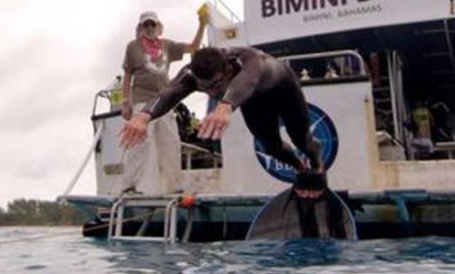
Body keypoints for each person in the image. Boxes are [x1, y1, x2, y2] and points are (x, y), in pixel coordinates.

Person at [119, 46, 324, 192]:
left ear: (227, 71)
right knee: (271, 147)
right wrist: (144, 115)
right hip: (253, 101)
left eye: (215, 85)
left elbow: (250, 79)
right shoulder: (191, 74)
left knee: (300, 139)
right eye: (204, 87)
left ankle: (316, 162)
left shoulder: (249, 60)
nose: (210, 91)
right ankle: (300, 167)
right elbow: (169, 93)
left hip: (283, 89)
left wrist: (226, 105)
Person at [120, 9, 208, 194]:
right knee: (139, 142)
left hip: (164, 102)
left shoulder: (167, 45)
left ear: (158, 27)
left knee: (171, 142)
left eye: (153, 24)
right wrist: (125, 102)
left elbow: (193, 46)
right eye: (146, 24)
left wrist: (202, 24)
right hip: (142, 102)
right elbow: (127, 75)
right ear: (141, 27)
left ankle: (175, 187)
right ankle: (129, 186)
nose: (150, 27)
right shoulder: (133, 47)